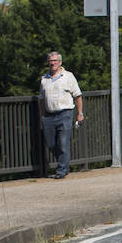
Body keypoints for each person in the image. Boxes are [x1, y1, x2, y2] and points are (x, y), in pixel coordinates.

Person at [39, 51, 83, 179]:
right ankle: (64, 163)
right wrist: (42, 115)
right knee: (50, 142)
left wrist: (80, 113)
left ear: (60, 62)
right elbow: (41, 99)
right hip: (49, 115)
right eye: (50, 61)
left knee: (63, 142)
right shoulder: (44, 79)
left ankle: (61, 170)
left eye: (55, 61)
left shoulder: (68, 76)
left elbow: (77, 95)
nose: (52, 63)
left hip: (65, 113)